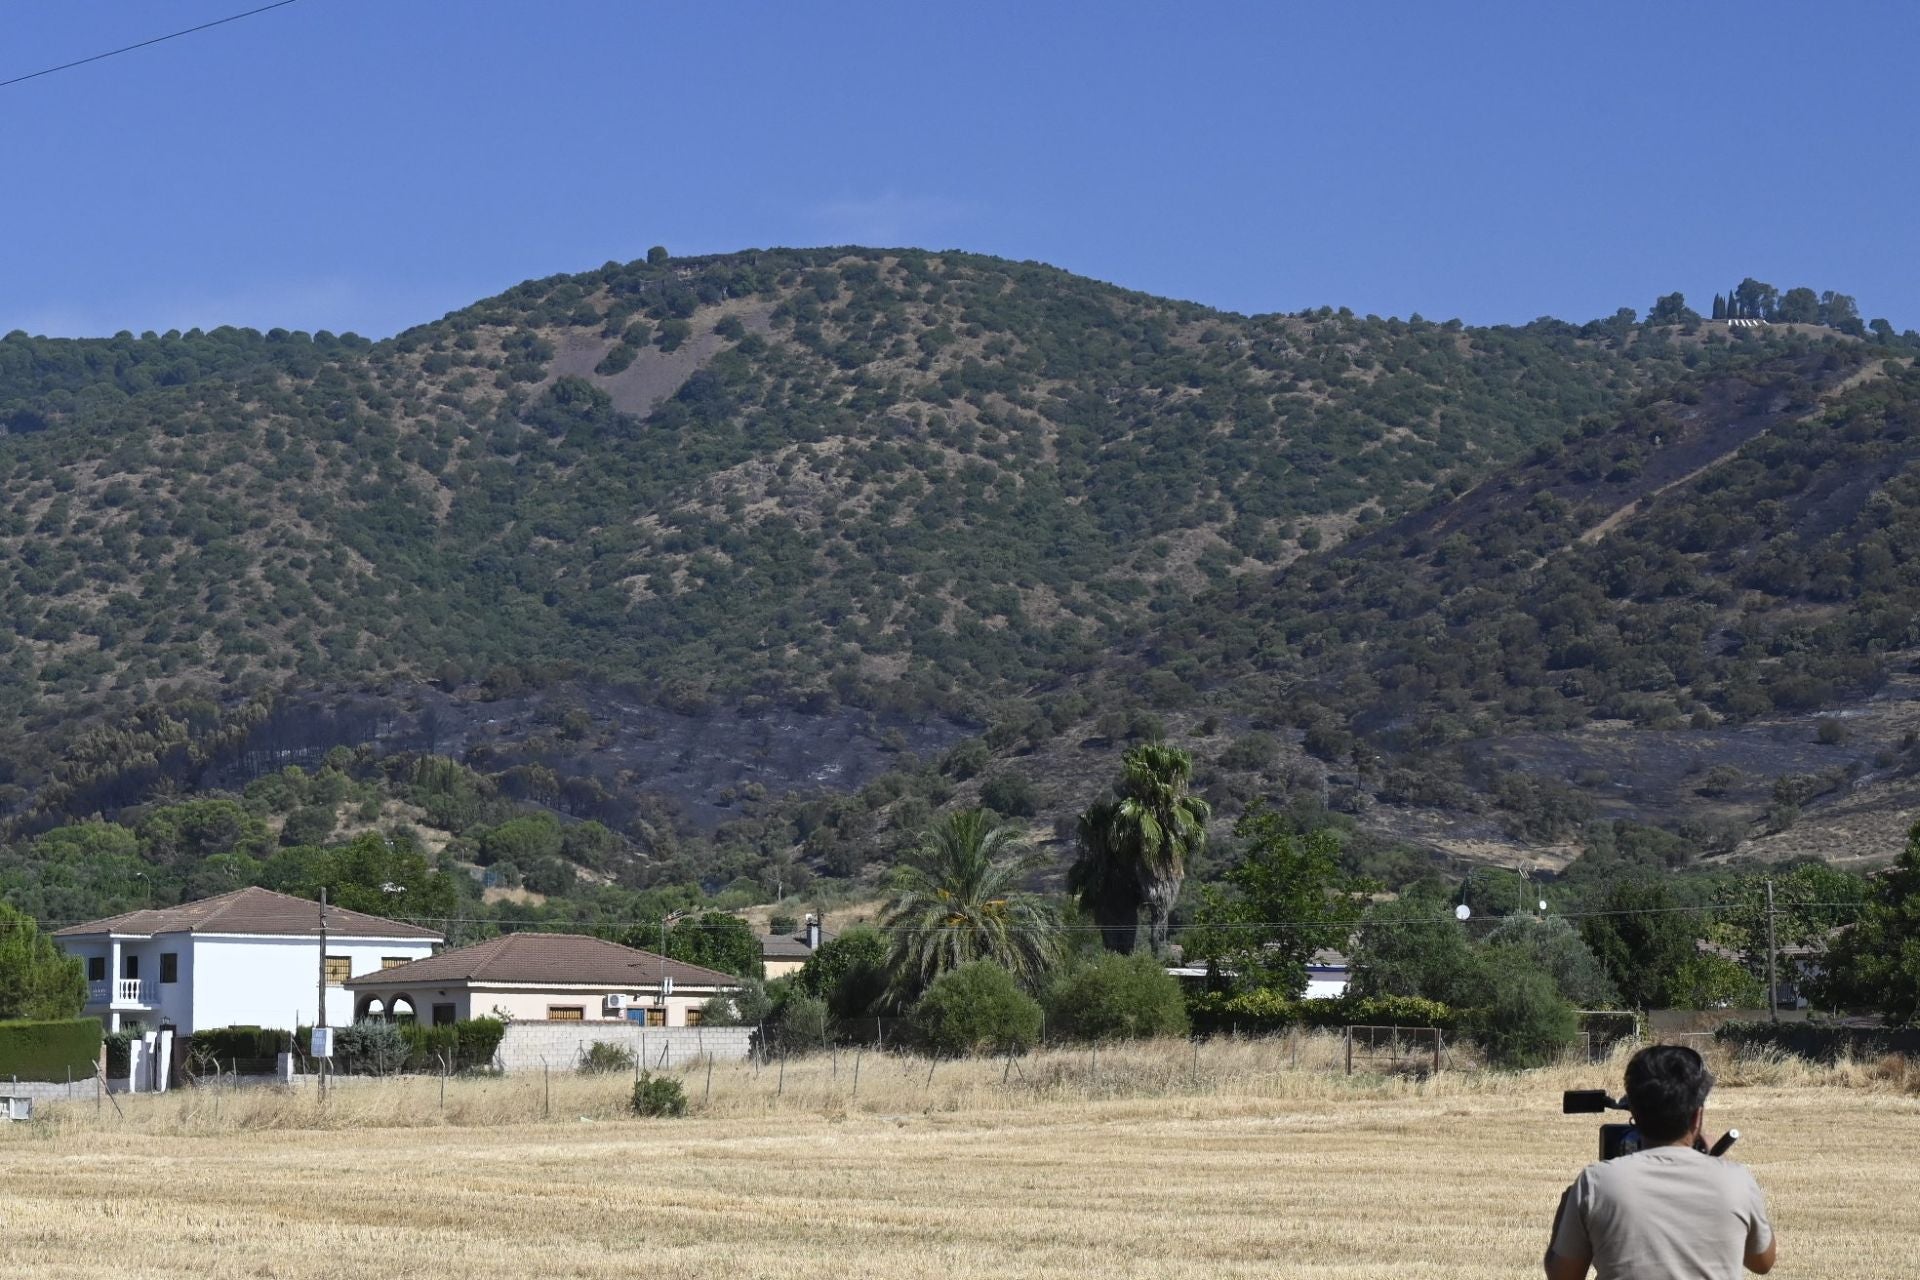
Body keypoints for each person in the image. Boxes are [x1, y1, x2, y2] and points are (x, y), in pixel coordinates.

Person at [1544, 1044, 1776, 1279]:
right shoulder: (1736, 1180)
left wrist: (1567, 1207)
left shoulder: (1596, 1183)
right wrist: (1719, 1164)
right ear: (1697, 1116)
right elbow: (1763, 1262)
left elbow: (1564, 1276)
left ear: (1633, 1111)